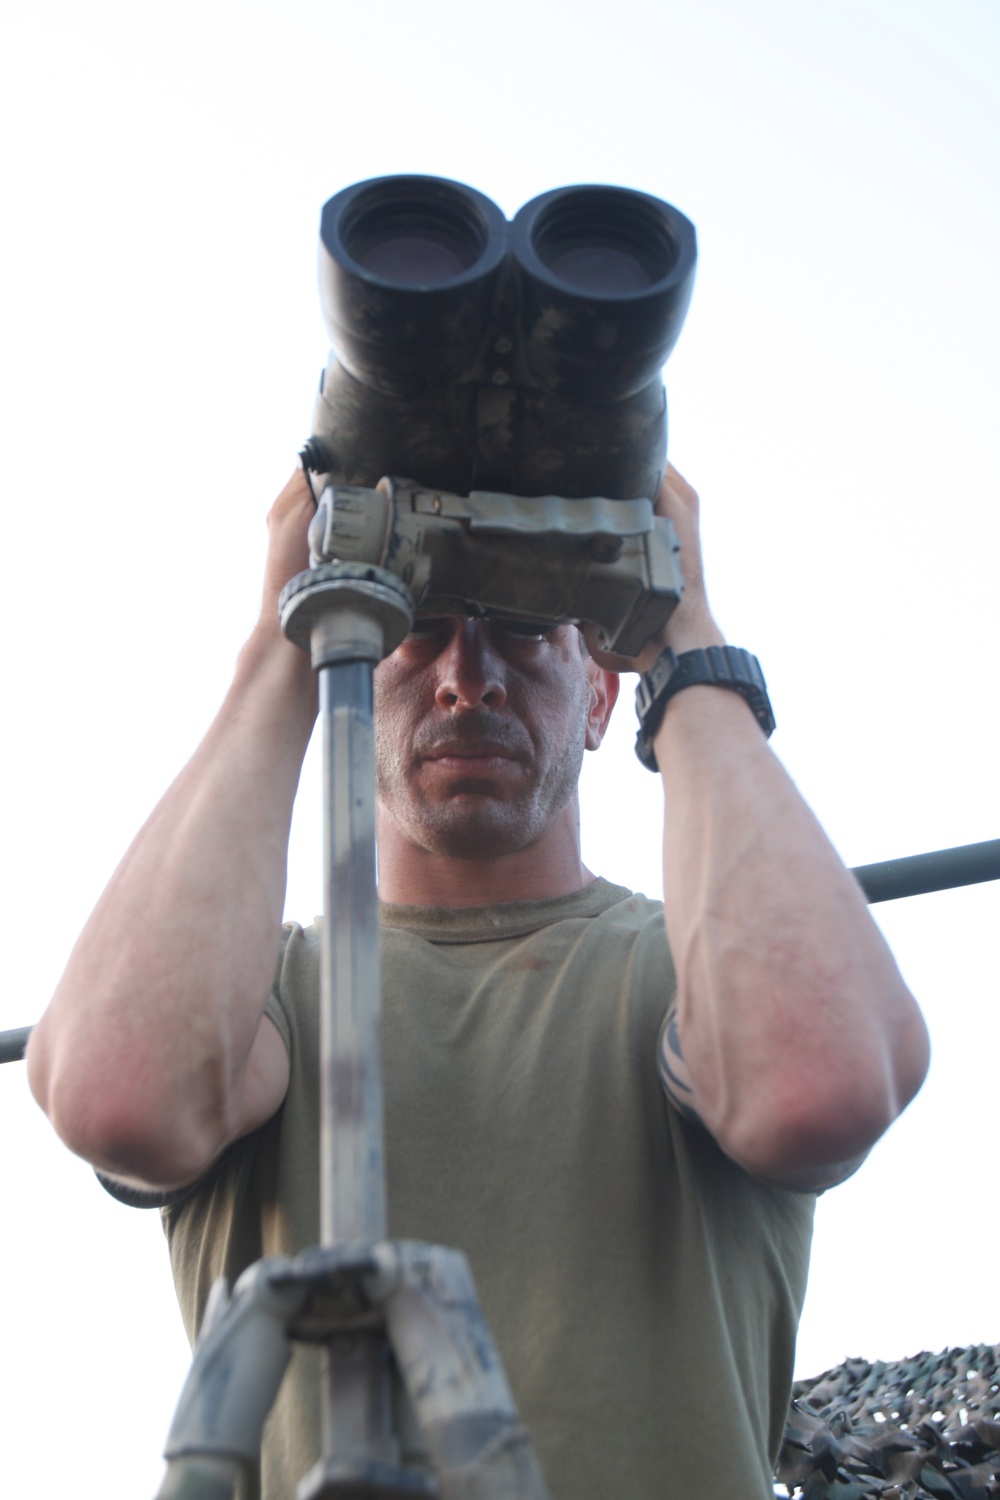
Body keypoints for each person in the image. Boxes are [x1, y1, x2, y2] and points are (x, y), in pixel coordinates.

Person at [26, 463, 930, 1500]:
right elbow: (115, 1092)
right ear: (351, 677)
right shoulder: (255, 1000)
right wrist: (287, 647)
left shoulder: (698, 977)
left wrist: (684, 634)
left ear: (599, 694)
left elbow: (821, 1080)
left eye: (523, 629)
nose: (468, 677)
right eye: (419, 629)